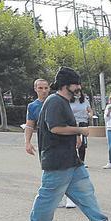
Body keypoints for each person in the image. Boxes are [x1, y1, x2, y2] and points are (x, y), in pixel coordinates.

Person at [23, 67, 111, 221]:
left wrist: (76, 134)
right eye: (76, 84)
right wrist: (81, 130)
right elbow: (55, 127)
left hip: (70, 159)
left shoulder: (62, 101)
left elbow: (61, 126)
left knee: (86, 192)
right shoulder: (55, 101)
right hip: (58, 160)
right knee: (49, 196)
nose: (79, 87)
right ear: (66, 85)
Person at [25, 78, 76, 209]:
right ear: (35, 89)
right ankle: (55, 197)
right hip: (46, 144)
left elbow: (70, 121)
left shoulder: (58, 101)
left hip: (63, 142)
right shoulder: (33, 106)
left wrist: (78, 136)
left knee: (69, 168)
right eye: (40, 88)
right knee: (50, 171)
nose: (43, 91)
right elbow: (30, 125)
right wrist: (27, 142)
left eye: (46, 88)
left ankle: (70, 197)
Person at [69, 88, 92, 164]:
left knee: (82, 143)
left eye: (79, 92)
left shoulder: (85, 101)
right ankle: (73, 159)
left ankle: (82, 160)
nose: (77, 94)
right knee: (73, 141)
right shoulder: (69, 101)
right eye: (75, 92)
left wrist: (90, 115)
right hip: (73, 122)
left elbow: (90, 110)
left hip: (83, 122)